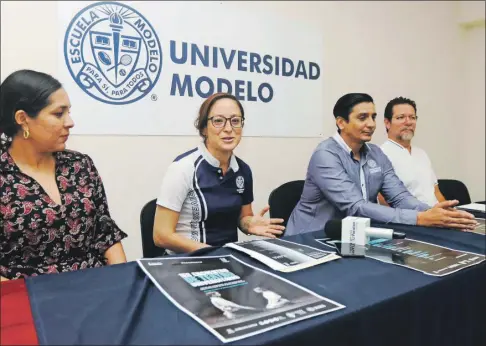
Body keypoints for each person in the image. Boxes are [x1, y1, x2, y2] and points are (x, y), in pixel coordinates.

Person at [285, 93, 477, 236]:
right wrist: (419, 218)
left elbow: (400, 196)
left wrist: (433, 212)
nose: (371, 124)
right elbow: (355, 206)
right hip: (310, 239)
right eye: (362, 118)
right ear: (341, 122)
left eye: (373, 117)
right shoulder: (325, 154)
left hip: (354, 237)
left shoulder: (376, 153)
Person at [0, 69, 127, 281]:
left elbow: (105, 233)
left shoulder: (80, 165)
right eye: (59, 114)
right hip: (28, 298)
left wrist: (123, 281)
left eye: (68, 112)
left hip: (94, 287)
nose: (70, 122)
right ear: (22, 119)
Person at [153, 93, 285, 254]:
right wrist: (213, 252)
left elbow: (243, 217)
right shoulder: (183, 168)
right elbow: (161, 235)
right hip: (186, 261)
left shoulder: (243, 170)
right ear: (203, 128)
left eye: (235, 121)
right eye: (218, 121)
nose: (228, 129)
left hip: (227, 259)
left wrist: (249, 224)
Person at [379, 97, 446, 206]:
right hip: (412, 219)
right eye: (401, 117)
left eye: (412, 117)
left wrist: (450, 214)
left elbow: (436, 193)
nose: (408, 122)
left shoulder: (421, 154)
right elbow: (384, 201)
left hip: (437, 217)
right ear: (387, 123)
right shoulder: (380, 155)